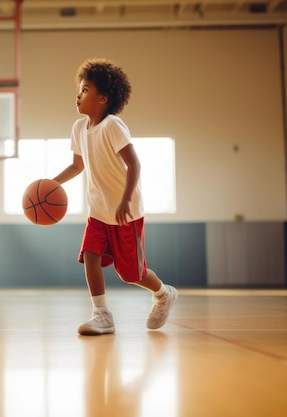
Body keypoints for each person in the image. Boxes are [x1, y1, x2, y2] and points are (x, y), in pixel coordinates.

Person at [52, 58, 178, 336]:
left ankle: (163, 293)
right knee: (90, 255)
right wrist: (51, 184)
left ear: (102, 99)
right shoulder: (78, 128)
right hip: (98, 209)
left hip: (126, 211)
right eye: (79, 89)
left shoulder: (112, 126)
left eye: (85, 90)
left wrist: (124, 200)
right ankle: (102, 314)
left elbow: (135, 164)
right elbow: (77, 165)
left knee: (132, 274)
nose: (78, 95)